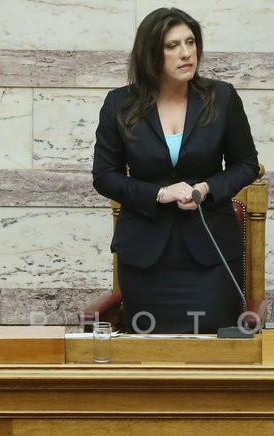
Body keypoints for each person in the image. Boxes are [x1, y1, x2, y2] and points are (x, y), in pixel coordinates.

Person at [92, 7, 259, 333]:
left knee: (212, 353)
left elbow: (246, 165)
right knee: (151, 354)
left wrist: (206, 188)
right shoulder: (119, 104)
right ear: (150, 54)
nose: (186, 53)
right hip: (145, 261)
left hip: (211, 259)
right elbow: (105, 176)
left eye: (190, 42)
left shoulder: (222, 98)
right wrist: (159, 193)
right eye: (172, 45)